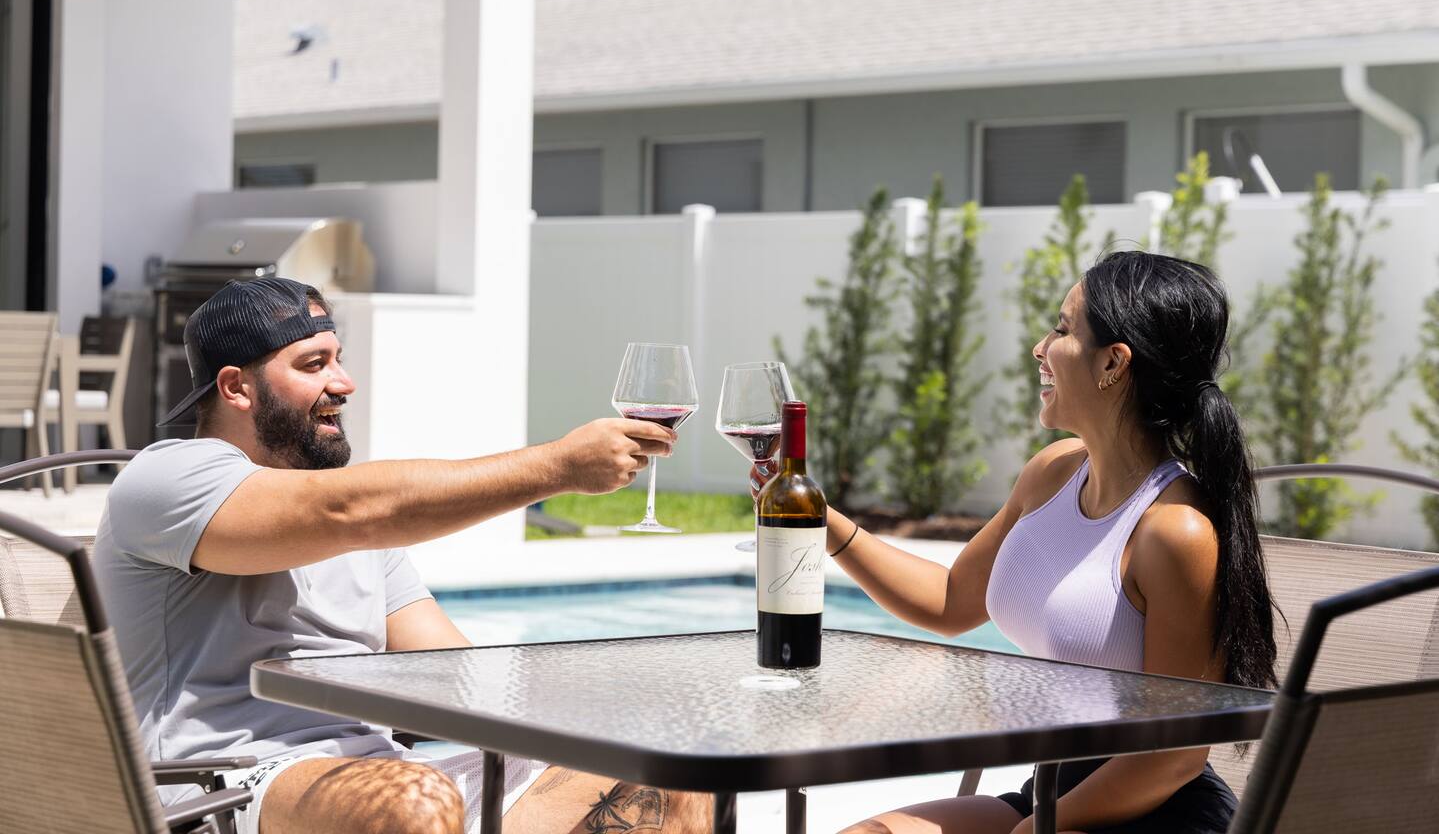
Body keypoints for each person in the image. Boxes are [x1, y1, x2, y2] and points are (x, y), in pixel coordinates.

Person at [93, 277, 712, 834]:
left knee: (673, 775)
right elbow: (349, 509)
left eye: (338, 359)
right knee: (414, 799)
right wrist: (559, 466)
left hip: (380, 777)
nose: (343, 382)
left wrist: (611, 696)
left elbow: (455, 675)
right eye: (314, 364)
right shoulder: (168, 477)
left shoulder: (357, 529)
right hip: (217, 785)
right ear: (237, 387)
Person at [759, 251, 1277, 834]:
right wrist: (817, 519)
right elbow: (950, 602)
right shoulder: (1053, 473)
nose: (1039, 348)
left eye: (1061, 329)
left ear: (1113, 363)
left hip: (1155, 814)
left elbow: (1172, 758)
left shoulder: (1175, 530)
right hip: (1052, 795)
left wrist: (1032, 829)